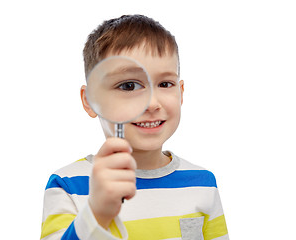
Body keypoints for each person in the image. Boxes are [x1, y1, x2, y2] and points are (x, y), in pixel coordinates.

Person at [41, 14, 229, 240]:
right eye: (129, 85)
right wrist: (96, 214)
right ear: (90, 100)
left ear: (181, 92)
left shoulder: (203, 182)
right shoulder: (68, 185)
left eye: (165, 84)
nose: (152, 103)